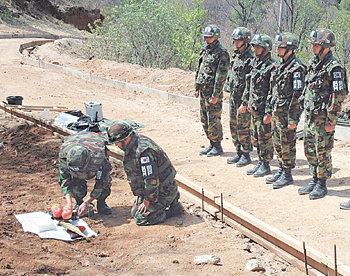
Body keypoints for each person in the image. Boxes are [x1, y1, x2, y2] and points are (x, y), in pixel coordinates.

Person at [298, 28, 348, 200]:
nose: (313, 47)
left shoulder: (335, 67)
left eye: (316, 44)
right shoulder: (314, 63)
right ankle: (314, 178)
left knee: (323, 151)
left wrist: (331, 120)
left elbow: (338, 95)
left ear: (325, 46)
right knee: (309, 149)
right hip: (311, 117)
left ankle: (322, 183)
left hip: (323, 119)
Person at [108, 120, 184, 226]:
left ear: (126, 138)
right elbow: (139, 174)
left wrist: (147, 200)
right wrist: (139, 195)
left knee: (141, 218)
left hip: (164, 189)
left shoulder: (144, 152)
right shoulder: (133, 144)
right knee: (134, 211)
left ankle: (172, 208)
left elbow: (151, 179)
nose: (116, 145)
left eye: (118, 142)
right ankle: (170, 202)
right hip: (157, 188)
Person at [265, 32, 306, 189]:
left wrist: (293, 119)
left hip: (287, 114)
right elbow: (273, 90)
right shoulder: (279, 65)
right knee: (278, 143)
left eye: (281, 47)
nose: (278, 50)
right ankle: (281, 169)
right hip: (277, 112)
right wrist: (269, 109)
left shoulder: (297, 68)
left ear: (290, 49)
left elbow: (298, 96)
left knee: (287, 144)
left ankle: (287, 174)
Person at [239, 34, 276, 177]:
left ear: (266, 49)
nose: (255, 49)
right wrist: (247, 101)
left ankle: (266, 164)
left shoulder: (272, 66)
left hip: (264, 108)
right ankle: (261, 161)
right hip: (254, 107)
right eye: (254, 46)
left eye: (258, 47)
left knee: (265, 137)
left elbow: (272, 91)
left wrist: (268, 111)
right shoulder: (256, 63)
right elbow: (250, 85)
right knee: (257, 136)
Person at [195, 24, 230, 157]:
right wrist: (196, 87)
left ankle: (217, 146)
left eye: (209, 37)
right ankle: (211, 143)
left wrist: (216, 94)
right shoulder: (205, 50)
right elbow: (200, 69)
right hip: (203, 90)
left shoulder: (221, 53)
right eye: (206, 36)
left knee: (213, 119)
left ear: (215, 37)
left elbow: (221, 76)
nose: (207, 39)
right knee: (204, 118)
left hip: (212, 93)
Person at [58, 132, 112, 217]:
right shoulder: (64, 157)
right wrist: (69, 203)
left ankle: (101, 203)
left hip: (95, 142)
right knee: (75, 182)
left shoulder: (98, 158)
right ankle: (79, 202)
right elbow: (64, 180)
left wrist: (87, 202)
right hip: (74, 140)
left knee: (105, 184)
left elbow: (102, 181)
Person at [224, 27, 254, 167]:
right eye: (235, 40)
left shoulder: (251, 59)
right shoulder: (236, 55)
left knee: (243, 127)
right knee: (233, 125)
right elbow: (232, 73)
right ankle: (239, 151)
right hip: (234, 96)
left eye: (238, 40)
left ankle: (246, 154)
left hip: (243, 98)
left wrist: (246, 100)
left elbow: (251, 82)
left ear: (246, 41)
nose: (235, 43)